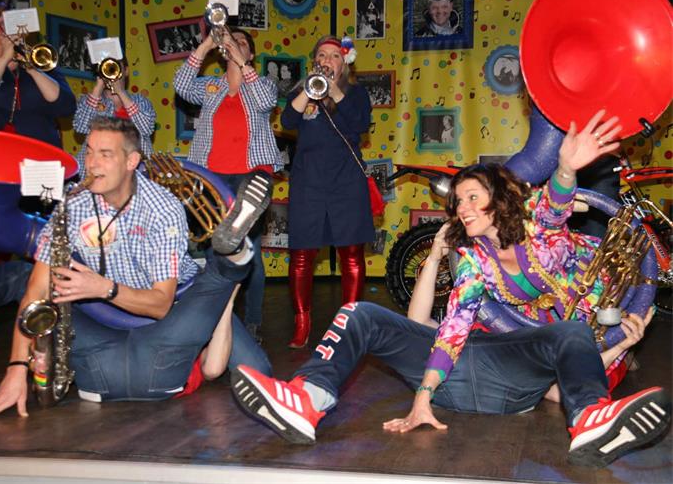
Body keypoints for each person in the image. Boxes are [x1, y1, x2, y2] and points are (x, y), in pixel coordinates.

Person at [229, 110, 671, 467]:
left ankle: (591, 420)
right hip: (456, 378)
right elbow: (453, 328)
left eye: (473, 196)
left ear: (499, 200)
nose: (462, 207)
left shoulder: (540, 233)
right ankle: (306, 400)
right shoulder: (474, 262)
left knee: (570, 333)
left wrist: (566, 168)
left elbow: (555, 209)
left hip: (511, 380)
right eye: (458, 201)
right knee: (360, 312)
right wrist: (422, 399)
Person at [0, 116, 273, 419]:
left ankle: (232, 254)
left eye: (105, 154)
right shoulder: (73, 203)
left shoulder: (162, 208)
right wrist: (15, 369)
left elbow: (160, 304)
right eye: (89, 152)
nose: (92, 163)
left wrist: (103, 288)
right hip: (103, 304)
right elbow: (36, 291)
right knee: (28, 275)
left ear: (131, 162)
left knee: (258, 371)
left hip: (174, 303)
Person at [0, 3, 76, 357]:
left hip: (40, 166)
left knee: (42, 246)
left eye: (12, 24)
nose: (6, 29)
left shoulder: (41, 61)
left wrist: (32, 66)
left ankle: (42, 331)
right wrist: (5, 58)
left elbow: (64, 105)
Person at [174, 27, 283, 344]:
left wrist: (240, 61)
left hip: (252, 176)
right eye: (231, 41)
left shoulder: (262, 83)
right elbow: (181, 85)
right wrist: (207, 43)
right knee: (214, 251)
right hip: (213, 178)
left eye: (243, 43)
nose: (235, 44)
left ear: (251, 54)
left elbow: (266, 101)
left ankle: (252, 322)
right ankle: (217, 320)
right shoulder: (210, 86)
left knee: (250, 251)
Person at [281, 35, 373, 348]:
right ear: (314, 61)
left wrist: (334, 91)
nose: (327, 60)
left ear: (344, 62)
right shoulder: (302, 90)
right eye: (322, 55)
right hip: (308, 184)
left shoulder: (356, 93)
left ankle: (348, 323)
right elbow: (287, 120)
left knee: (351, 255)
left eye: (334, 55)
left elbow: (360, 124)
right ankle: (302, 322)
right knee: (301, 255)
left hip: (346, 183)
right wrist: (308, 91)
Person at [72, 56, 155, 176]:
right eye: (106, 67)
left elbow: (146, 129)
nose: (111, 73)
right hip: (97, 171)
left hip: (135, 171)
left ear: (126, 71)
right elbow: (80, 127)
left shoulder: (141, 101)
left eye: (115, 67)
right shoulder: (90, 101)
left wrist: (121, 92)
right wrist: (98, 87)